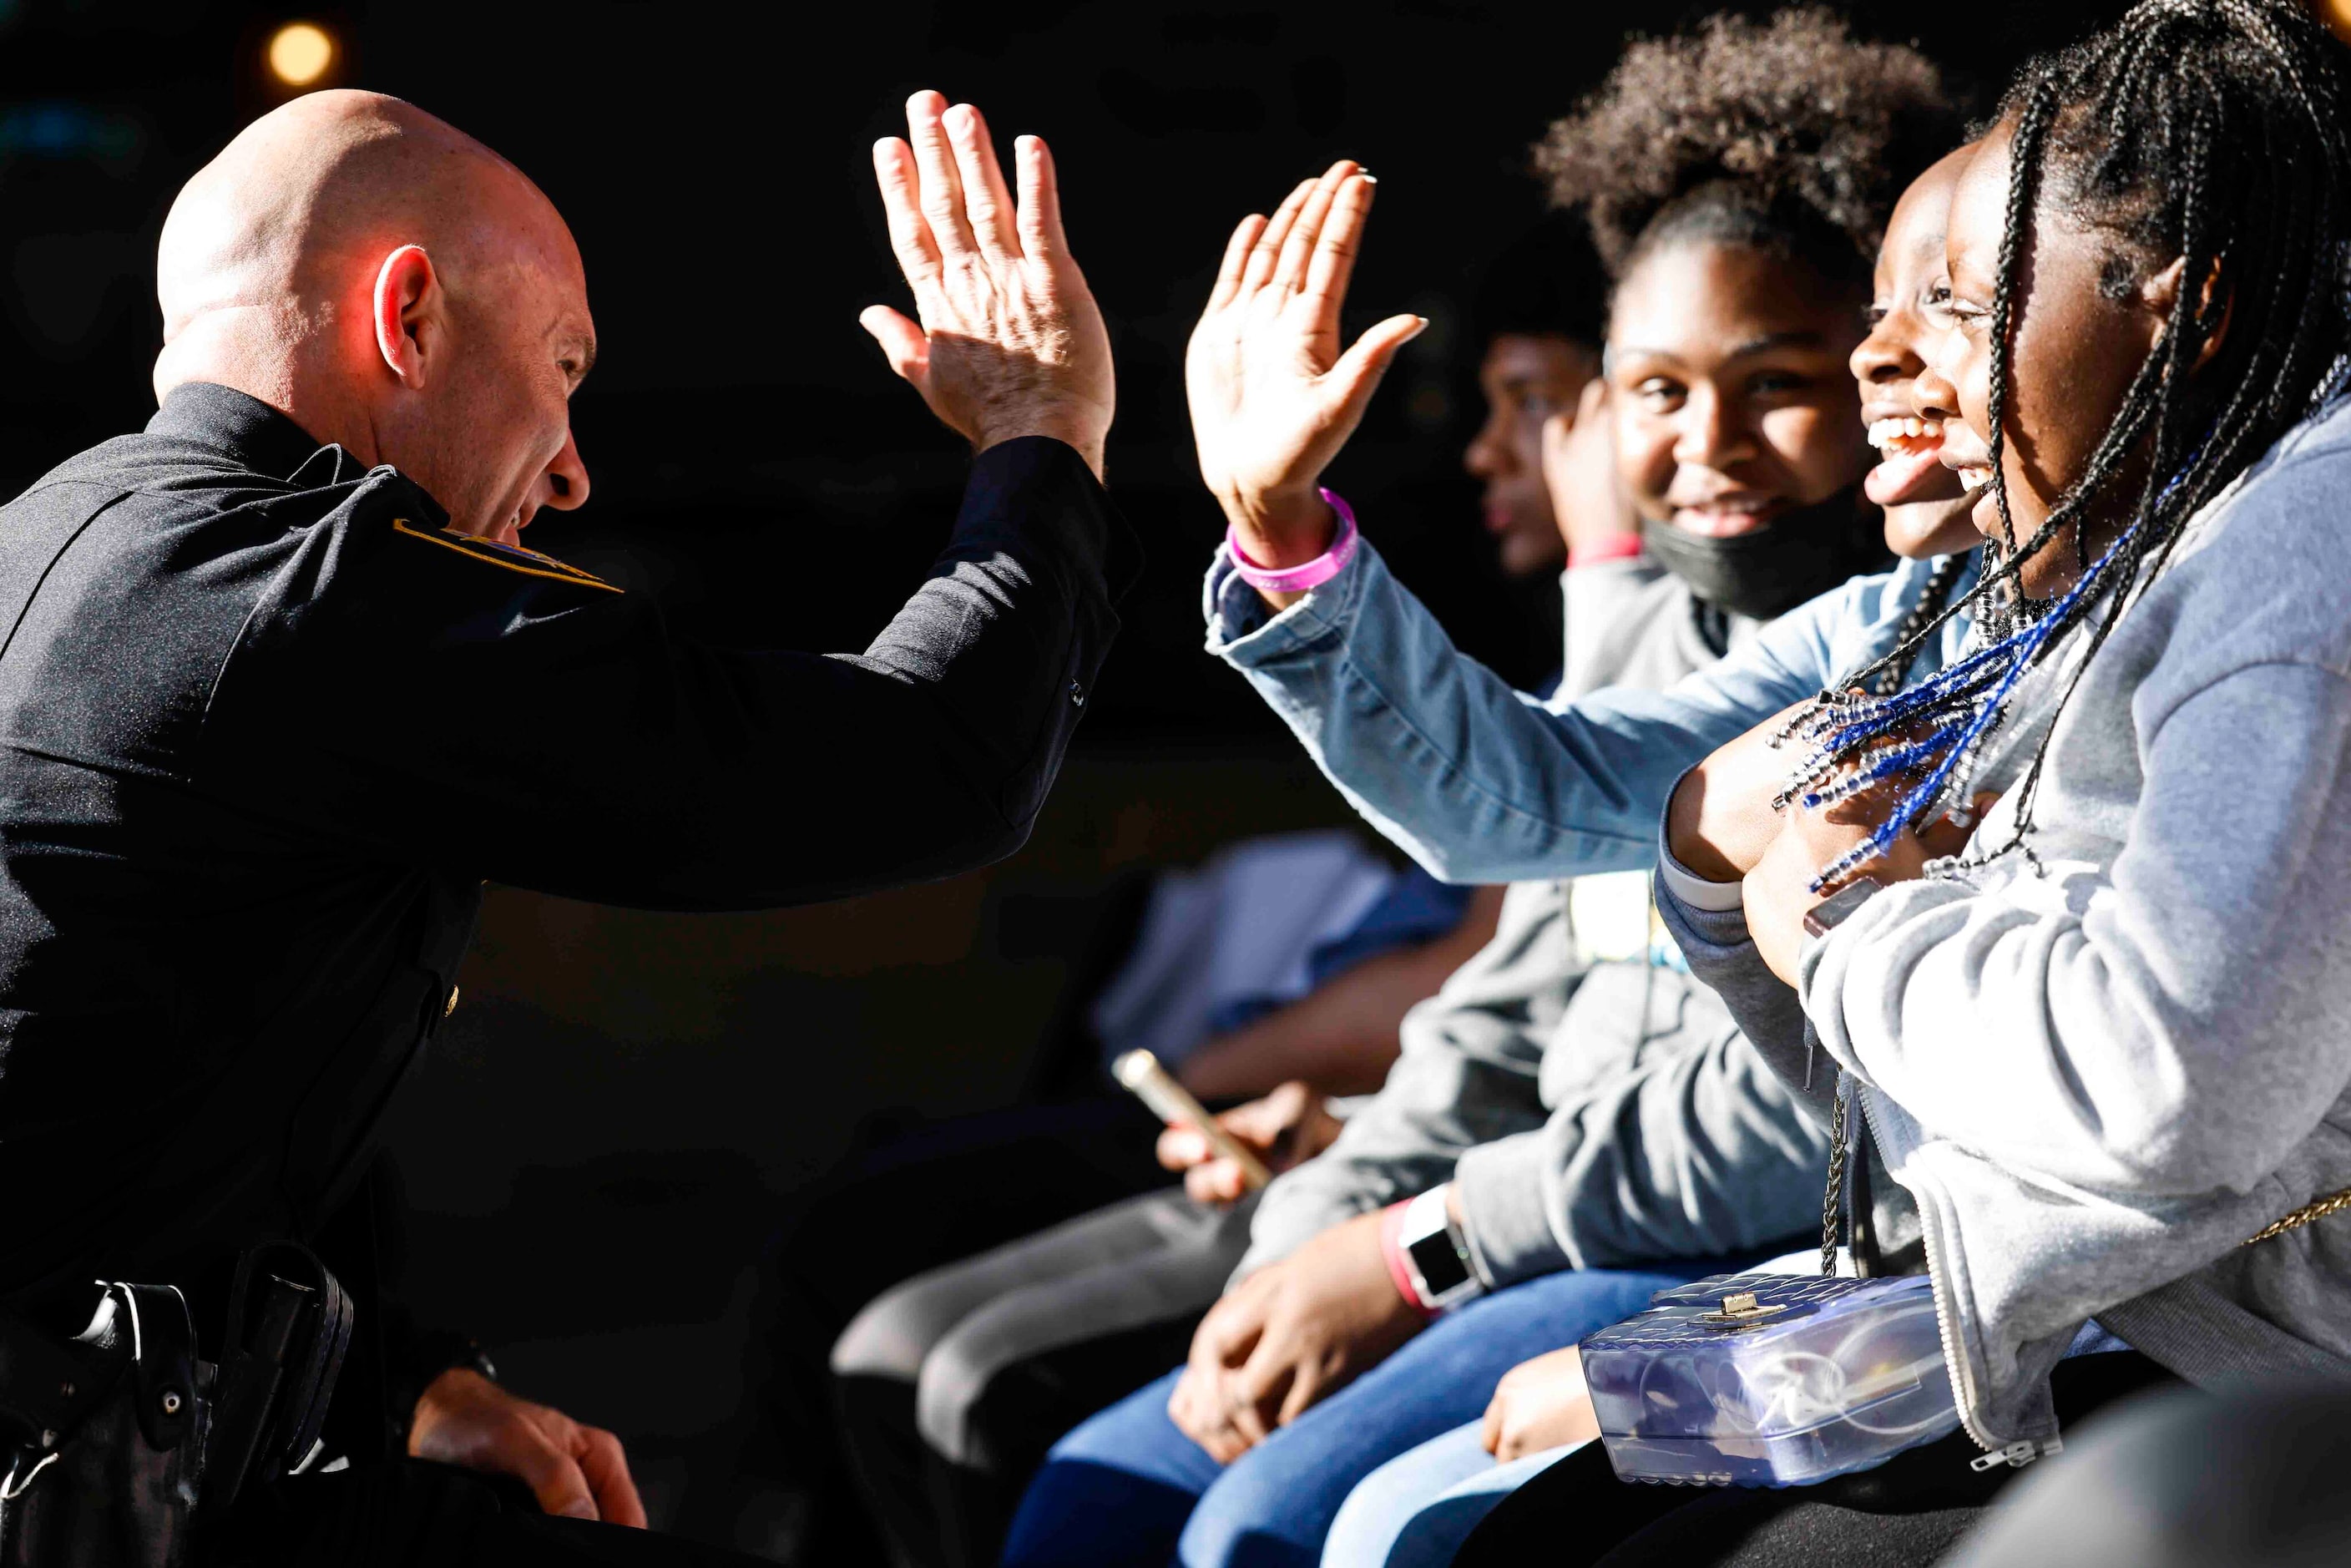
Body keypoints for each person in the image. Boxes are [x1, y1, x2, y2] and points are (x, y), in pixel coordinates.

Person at [0, 84, 1143, 1565]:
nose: (573, 462)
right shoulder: (309, 601)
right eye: (561, 367)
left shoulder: (54, 532)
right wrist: (1048, 424)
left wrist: (397, 1379)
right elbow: (931, 761)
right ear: (407, 317)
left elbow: (139, 1126)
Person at [997, 17, 1966, 1567]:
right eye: (1653, 387)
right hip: (1552, 1228)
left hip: (1793, 1267)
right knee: (1085, 1489)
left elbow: (1804, 1119)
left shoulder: (1926, 632)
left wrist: (1416, 1248)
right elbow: (1524, 962)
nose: (1706, 443)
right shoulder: (1688, 620)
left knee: (1326, 1528)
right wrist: (1335, 1217)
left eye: (1781, 381)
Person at [1418, 1, 2351, 1561]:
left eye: (1955, 300)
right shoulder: (2110, 568)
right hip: (2070, 1324)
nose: (1884, 353)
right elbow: (1932, 1106)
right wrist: (1729, 887)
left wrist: (1851, 924)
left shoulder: (2296, 567)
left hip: (2238, 1390)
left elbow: (2174, 1098)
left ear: (2189, 312)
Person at [753, 216, 1615, 1568]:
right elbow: (1501, 985)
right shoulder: (1609, 663)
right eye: (1661, 392)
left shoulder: (1815, 666)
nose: (1490, 451)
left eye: (1536, 404)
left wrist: (1387, 1226)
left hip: (1496, 1205)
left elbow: (1663, 1102)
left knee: (1014, 1406)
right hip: (1382, 1158)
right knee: (879, 1301)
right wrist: (1338, 1136)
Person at [1319, 128, 1989, 1568]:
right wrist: (1282, 537)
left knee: (1403, 1528)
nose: (1892, 370)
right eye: (1657, 392)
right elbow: (1526, 836)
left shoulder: (2206, 629)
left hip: (2078, 1328)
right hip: (1909, 1292)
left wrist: (1444, 1245)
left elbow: (2094, 1147)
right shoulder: (1904, 621)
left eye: (1962, 314)